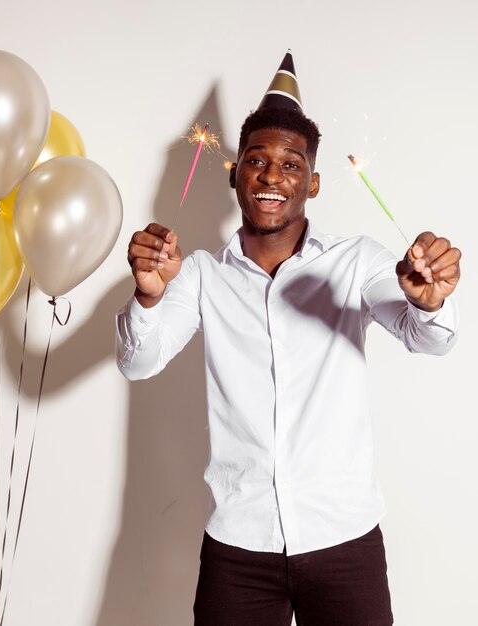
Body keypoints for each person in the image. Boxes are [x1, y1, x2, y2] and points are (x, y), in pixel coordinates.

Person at [115, 51, 461, 625]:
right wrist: (149, 295)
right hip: (238, 546)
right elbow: (138, 362)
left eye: (291, 164)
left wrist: (430, 302)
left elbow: (431, 340)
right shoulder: (200, 274)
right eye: (257, 160)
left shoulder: (358, 263)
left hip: (344, 541)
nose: (272, 176)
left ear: (314, 182)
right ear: (235, 174)